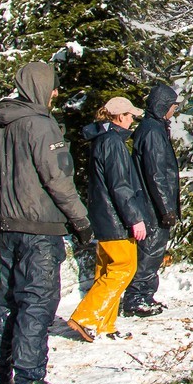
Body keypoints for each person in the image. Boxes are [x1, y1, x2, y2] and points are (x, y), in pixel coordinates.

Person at [0, 61, 91, 384]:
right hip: (39, 227)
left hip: (6, 225)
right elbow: (58, 179)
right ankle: (30, 378)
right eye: (53, 86)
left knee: (7, 298)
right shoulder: (41, 124)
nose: (55, 93)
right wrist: (80, 221)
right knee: (37, 300)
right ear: (41, 87)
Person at [66, 97, 150, 342]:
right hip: (116, 220)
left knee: (106, 271)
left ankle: (104, 324)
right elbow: (120, 186)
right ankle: (86, 318)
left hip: (103, 217)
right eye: (130, 116)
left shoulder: (101, 139)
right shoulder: (113, 142)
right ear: (120, 116)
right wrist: (135, 218)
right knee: (123, 268)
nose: (132, 120)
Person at [121, 84, 181, 318]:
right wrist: (166, 208)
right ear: (162, 105)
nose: (174, 110)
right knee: (150, 251)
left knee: (153, 251)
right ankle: (137, 297)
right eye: (172, 106)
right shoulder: (153, 131)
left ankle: (144, 295)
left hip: (151, 201)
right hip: (152, 204)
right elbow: (156, 173)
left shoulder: (153, 128)